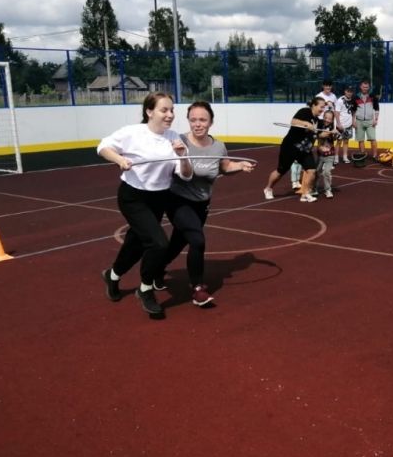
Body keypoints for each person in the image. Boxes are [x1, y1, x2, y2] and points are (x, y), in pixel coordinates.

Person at [98, 92, 193, 318]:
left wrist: (183, 156)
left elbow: (186, 175)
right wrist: (120, 160)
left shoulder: (175, 139)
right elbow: (102, 147)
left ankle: (112, 276)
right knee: (159, 243)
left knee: (136, 243)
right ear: (149, 112)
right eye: (164, 110)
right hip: (133, 197)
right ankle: (146, 288)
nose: (170, 115)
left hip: (158, 198)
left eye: (172, 110)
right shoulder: (133, 133)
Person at [161, 101, 256, 307]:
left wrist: (239, 165)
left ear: (211, 122)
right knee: (197, 240)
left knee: (178, 242)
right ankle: (197, 288)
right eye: (193, 119)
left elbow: (224, 166)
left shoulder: (217, 146)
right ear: (188, 121)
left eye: (202, 120)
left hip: (201, 204)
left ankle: (156, 269)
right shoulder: (179, 141)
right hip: (177, 200)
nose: (197, 124)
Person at [263, 97, 325, 203]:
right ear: (314, 105)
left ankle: (305, 194)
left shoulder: (318, 122)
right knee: (280, 171)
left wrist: (333, 133)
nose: (322, 109)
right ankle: (268, 188)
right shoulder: (305, 112)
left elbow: (320, 134)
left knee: (311, 171)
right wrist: (307, 124)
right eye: (321, 107)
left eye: (324, 107)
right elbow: (294, 121)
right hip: (290, 147)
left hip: (304, 150)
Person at [354, 80, 380, 160]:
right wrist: (353, 121)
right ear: (360, 87)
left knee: (373, 139)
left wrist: (375, 119)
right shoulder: (356, 97)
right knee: (361, 140)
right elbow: (353, 110)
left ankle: (375, 156)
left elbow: (377, 108)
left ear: (369, 87)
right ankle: (362, 155)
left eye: (367, 87)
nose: (365, 88)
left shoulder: (372, 96)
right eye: (363, 87)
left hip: (370, 121)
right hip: (359, 121)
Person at [315, 109, 336, 198]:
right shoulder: (319, 125)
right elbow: (319, 135)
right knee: (316, 172)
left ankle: (328, 190)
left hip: (330, 155)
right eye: (325, 117)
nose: (327, 120)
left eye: (329, 119)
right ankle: (314, 188)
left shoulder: (332, 128)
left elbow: (334, 138)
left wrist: (334, 134)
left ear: (332, 120)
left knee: (326, 172)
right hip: (320, 155)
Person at [334, 85, 356, 164]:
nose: (349, 93)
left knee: (346, 141)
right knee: (338, 142)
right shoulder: (340, 100)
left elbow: (354, 112)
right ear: (345, 91)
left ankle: (345, 157)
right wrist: (338, 123)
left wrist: (353, 121)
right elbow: (336, 112)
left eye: (351, 91)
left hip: (349, 125)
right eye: (348, 91)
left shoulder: (353, 100)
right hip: (341, 125)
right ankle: (336, 158)